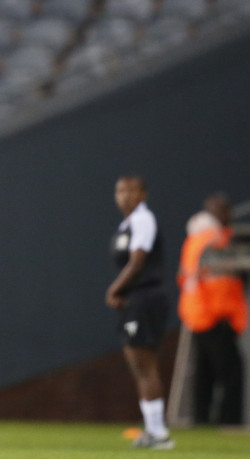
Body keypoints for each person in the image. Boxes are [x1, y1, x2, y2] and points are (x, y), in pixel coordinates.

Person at [106, 175, 174, 450]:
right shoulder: (126, 225)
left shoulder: (143, 220)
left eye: (132, 190)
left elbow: (137, 262)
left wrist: (113, 290)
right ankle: (153, 430)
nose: (126, 195)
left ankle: (159, 433)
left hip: (145, 297)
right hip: (135, 298)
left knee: (144, 364)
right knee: (138, 364)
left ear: (143, 194)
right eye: (120, 190)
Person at [178, 193, 247, 425]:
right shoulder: (214, 237)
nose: (228, 215)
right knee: (231, 374)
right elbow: (228, 270)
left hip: (197, 313)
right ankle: (229, 422)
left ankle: (201, 419)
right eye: (224, 210)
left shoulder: (195, 237)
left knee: (204, 373)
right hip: (214, 315)